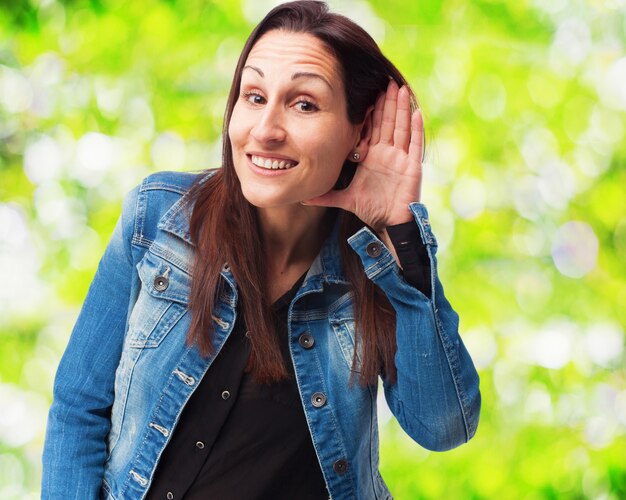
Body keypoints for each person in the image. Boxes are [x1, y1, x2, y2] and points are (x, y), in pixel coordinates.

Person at [42, 1, 481, 498]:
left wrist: (398, 234)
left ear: (360, 132)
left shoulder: (375, 263)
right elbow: (80, 407)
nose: (266, 130)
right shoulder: (158, 216)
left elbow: (443, 427)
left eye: (304, 104)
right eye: (253, 96)